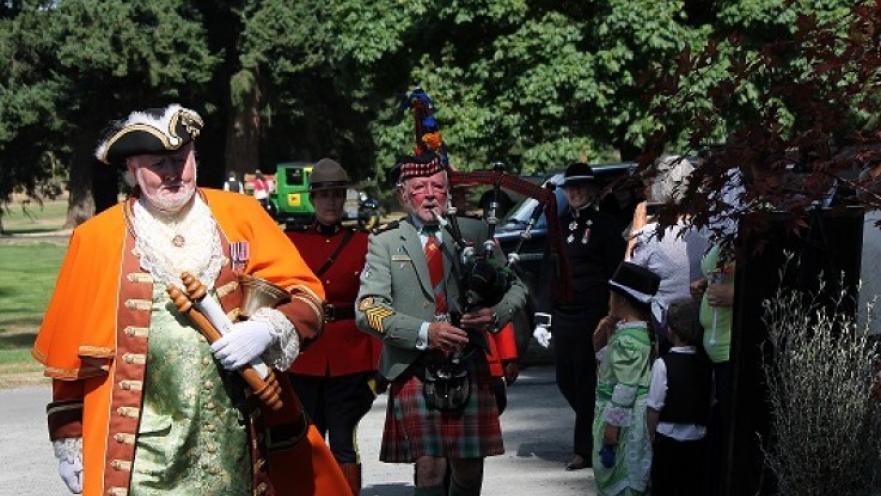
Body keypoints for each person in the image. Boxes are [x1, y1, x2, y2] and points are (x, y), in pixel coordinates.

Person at [32, 104, 350, 496]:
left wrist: (267, 330)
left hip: (237, 445)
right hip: (139, 455)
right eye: (159, 163)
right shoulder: (96, 238)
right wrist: (69, 439)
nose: (173, 172)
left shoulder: (242, 215)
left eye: (181, 159)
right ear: (132, 168)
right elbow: (70, 363)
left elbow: (307, 296)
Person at [355, 152, 527, 496]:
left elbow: (517, 287)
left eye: (438, 186)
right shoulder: (386, 241)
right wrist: (425, 332)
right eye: (419, 187)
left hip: (469, 361)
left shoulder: (476, 232)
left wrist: (494, 315)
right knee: (430, 466)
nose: (430, 194)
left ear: (448, 192)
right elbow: (368, 309)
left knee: (468, 464)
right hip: (415, 364)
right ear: (404, 195)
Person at [286, 157, 382, 495]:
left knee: (343, 439)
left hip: (349, 355)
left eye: (337, 195)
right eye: (324, 195)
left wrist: (378, 361)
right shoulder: (292, 241)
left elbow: (377, 301)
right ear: (313, 199)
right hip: (305, 354)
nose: (330, 202)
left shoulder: (364, 243)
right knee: (307, 439)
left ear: (345, 199)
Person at [533, 162, 626, 470]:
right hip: (564, 313)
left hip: (593, 312)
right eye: (570, 187)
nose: (574, 192)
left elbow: (616, 271)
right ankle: (597, 422)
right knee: (564, 379)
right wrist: (542, 315)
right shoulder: (557, 225)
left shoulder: (605, 225)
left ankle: (584, 449)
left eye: (580, 187)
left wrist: (615, 314)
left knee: (586, 381)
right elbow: (548, 271)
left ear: (591, 189)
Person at [591, 261, 660, 496]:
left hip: (622, 418)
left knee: (619, 473)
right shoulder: (635, 332)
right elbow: (610, 366)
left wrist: (612, 427)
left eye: (612, 295)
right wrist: (603, 336)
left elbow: (625, 387)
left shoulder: (628, 340)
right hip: (623, 415)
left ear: (621, 300)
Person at [646, 298, 713, 496]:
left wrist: (650, 437)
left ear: (670, 330)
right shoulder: (706, 365)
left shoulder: (662, 365)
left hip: (667, 440)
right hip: (698, 439)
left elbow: (654, 407)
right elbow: (710, 399)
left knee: (664, 487)